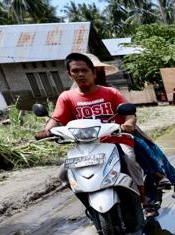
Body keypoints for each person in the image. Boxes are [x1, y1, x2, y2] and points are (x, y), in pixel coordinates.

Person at [37, 52, 147, 208]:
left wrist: (129, 123)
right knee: (63, 174)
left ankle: (143, 200)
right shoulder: (66, 97)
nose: (80, 74)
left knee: (130, 161)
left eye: (84, 70)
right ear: (69, 75)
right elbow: (56, 119)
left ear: (93, 73)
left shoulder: (111, 92)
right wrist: (47, 131)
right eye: (75, 71)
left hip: (116, 140)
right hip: (85, 146)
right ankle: (88, 203)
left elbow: (129, 113)